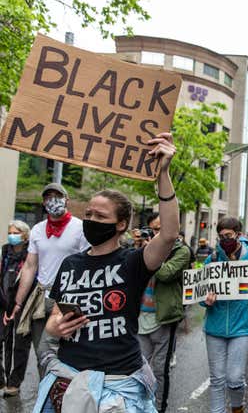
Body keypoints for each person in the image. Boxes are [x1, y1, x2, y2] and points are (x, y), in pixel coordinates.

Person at [31, 132, 179, 412]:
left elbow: (169, 234)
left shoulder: (133, 262)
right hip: (70, 380)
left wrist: (163, 173)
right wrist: (54, 327)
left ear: (121, 224)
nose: (91, 221)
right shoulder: (71, 264)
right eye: (88, 214)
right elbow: (54, 318)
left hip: (118, 384)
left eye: (100, 217)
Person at [3, 183, 89, 375]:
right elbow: (29, 266)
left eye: (57, 196)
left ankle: (64, 393)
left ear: (67, 200)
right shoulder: (37, 230)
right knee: (41, 352)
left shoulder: (80, 228)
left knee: (64, 349)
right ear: (43, 202)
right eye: (48, 197)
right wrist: (17, 303)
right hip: (41, 297)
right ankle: (47, 396)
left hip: (68, 298)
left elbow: (87, 264)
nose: (53, 200)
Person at [201, 216, 248, 413]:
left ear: (238, 235)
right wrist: (206, 300)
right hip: (215, 326)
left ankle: (237, 407)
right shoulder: (211, 260)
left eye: (228, 235)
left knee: (235, 378)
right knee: (217, 379)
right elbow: (200, 292)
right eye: (221, 236)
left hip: (242, 326)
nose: (224, 240)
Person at [138, 212, 191, 412]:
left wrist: (149, 251)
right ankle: (140, 406)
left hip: (164, 317)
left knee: (160, 370)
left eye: (161, 229)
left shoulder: (181, 251)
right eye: (153, 229)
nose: (157, 233)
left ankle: (159, 407)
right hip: (140, 316)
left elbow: (166, 273)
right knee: (139, 368)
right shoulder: (143, 248)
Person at [0, 221, 32, 397]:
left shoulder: (31, 253)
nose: (12, 235)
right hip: (3, 302)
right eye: (10, 232)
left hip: (22, 303)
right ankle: (0, 379)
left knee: (20, 344)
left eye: (16, 233)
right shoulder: (5, 251)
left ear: (25, 235)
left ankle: (14, 382)